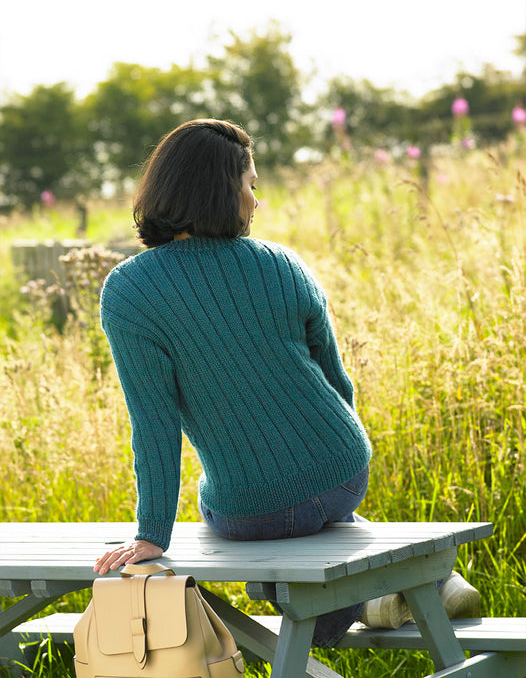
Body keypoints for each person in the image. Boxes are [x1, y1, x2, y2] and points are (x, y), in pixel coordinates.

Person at [93, 119, 479, 646]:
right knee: (312, 521)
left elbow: (154, 425)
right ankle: (427, 583)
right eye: (250, 185)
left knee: (247, 541)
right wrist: (333, 457)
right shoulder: (282, 263)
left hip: (252, 510)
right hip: (345, 472)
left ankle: (378, 597)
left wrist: (151, 536)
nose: (256, 201)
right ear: (220, 192)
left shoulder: (130, 291)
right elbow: (336, 381)